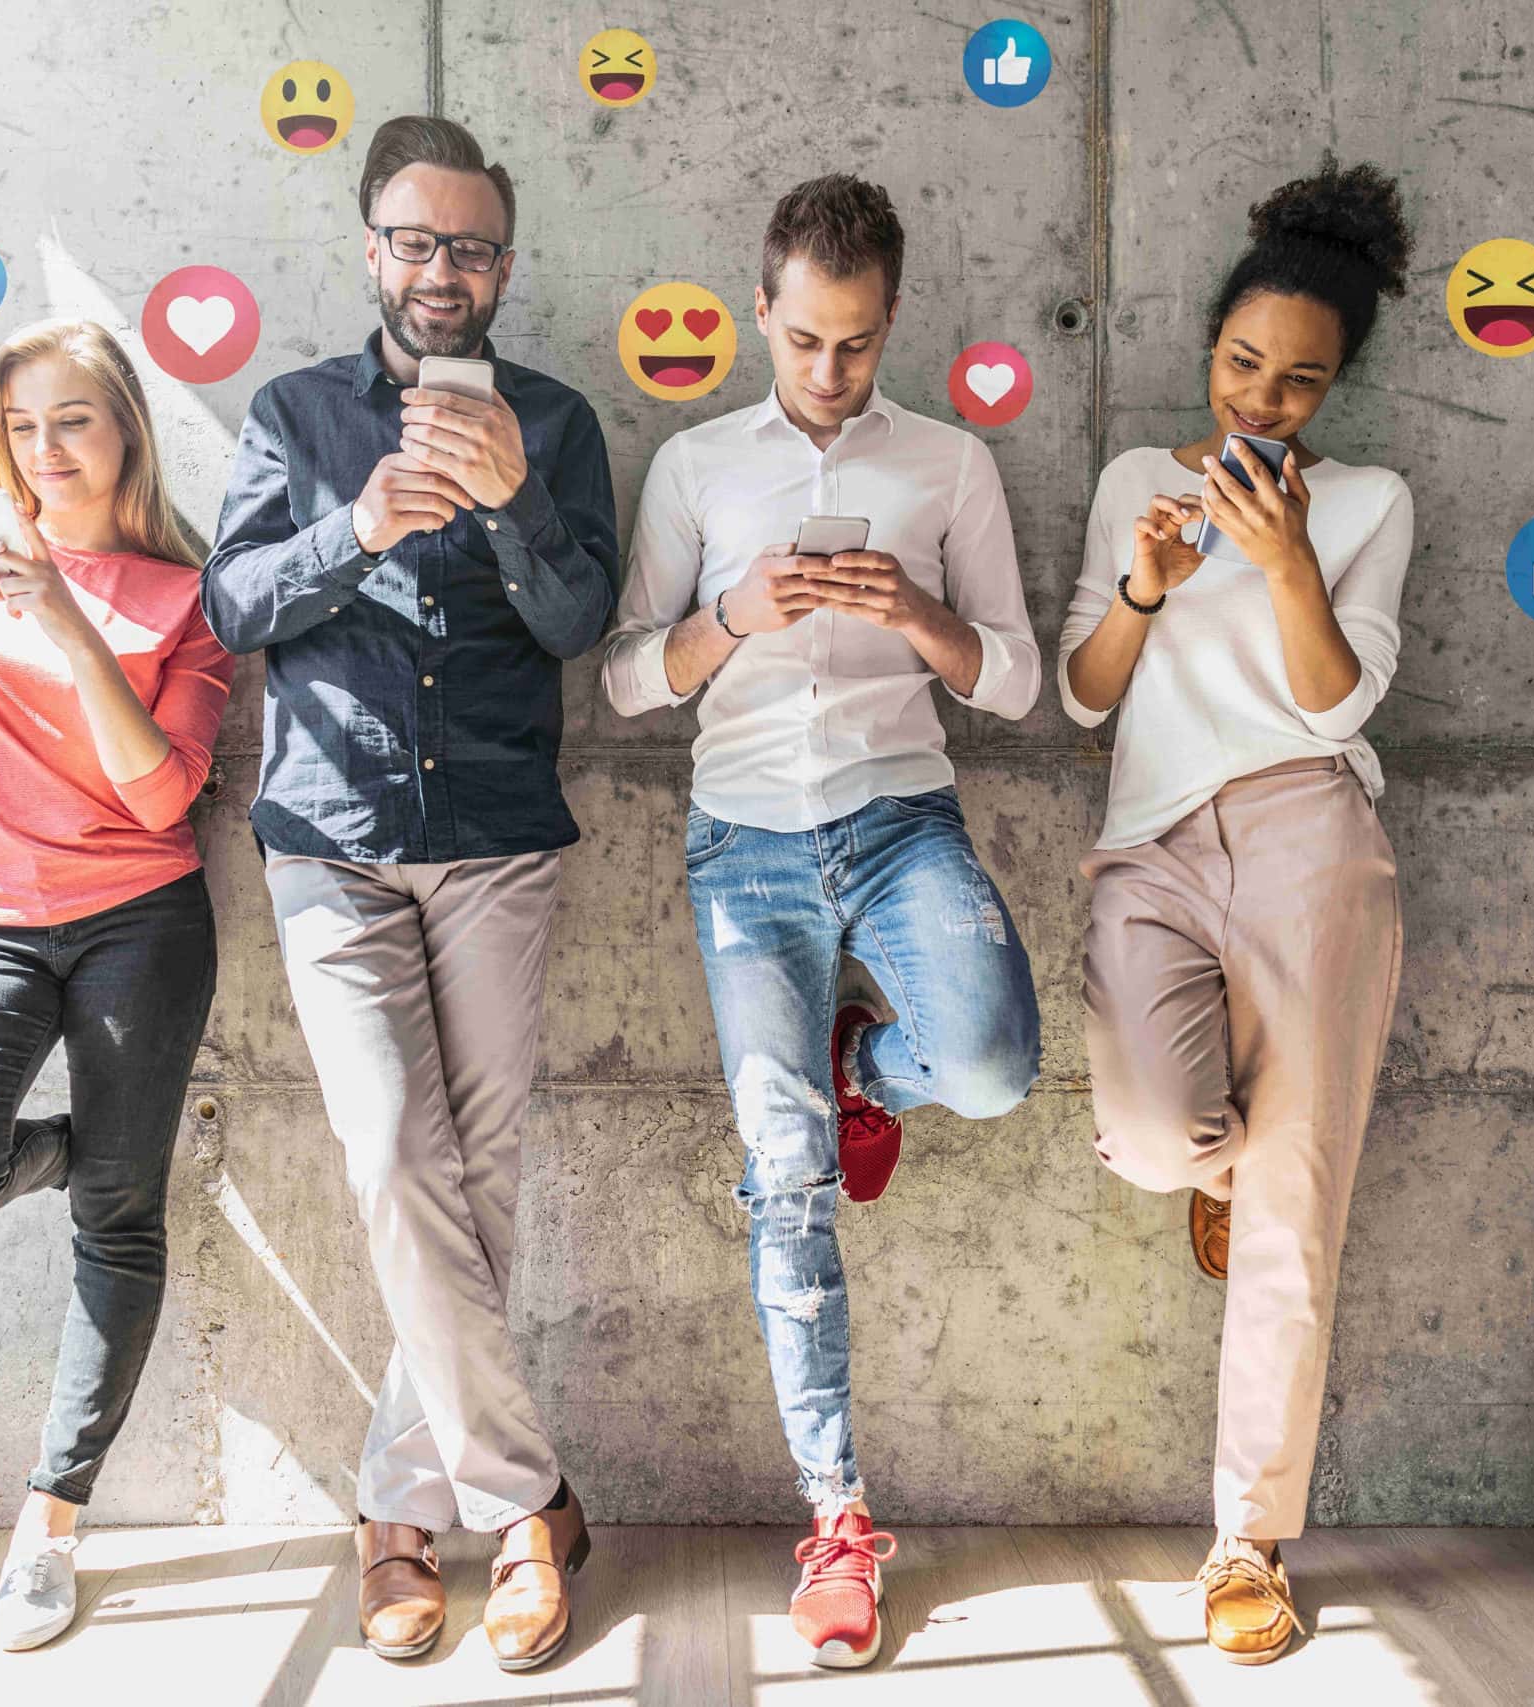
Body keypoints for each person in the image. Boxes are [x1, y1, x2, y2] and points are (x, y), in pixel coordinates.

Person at [600, 173, 1043, 1671]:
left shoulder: (949, 465)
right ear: (762, 314)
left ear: (889, 323)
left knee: (988, 1068)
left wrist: (914, 615)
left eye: (853, 346)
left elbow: (1021, 685)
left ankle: (876, 1072)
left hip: (901, 816)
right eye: (803, 342)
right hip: (743, 847)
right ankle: (838, 1515)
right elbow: (619, 682)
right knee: (784, 1171)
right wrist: (735, 620)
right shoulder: (696, 465)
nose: (828, 374)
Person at [198, 114, 618, 1673]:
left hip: (500, 832)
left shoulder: (561, 423)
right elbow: (233, 602)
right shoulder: (295, 413)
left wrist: (510, 503)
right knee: (391, 1159)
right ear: (373, 249)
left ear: (506, 265)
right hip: (332, 837)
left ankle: (394, 1518)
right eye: (418, 242)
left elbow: (581, 622)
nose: (446, 274)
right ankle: (525, 1508)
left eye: (475, 247)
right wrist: (355, 525)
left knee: (474, 1183)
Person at [1060, 155, 1415, 1665]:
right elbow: (1085, 696)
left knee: (1300, 1207)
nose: (1261, 399)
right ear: (1209, 350)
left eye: (1298, 381)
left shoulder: (1371, 502)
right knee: (1154, 1135)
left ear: (1336, 390)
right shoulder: (1137, 483)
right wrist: (1141, 589)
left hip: (1307, 837)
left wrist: (1281, 561)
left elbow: (1342, 698)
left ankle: (1246, 1544)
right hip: (1150, 846)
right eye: (1242, 363)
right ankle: (1209, 1168)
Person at [0, 319, 234, 1652]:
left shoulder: (188, 599)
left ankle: (50, 1527)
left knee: (121, 1226)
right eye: (23, 426)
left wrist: (71, 624)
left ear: (126, 426)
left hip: (142, 920)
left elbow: (162, 789)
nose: (46, 450)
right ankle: (93, 1151)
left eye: (73, 419)